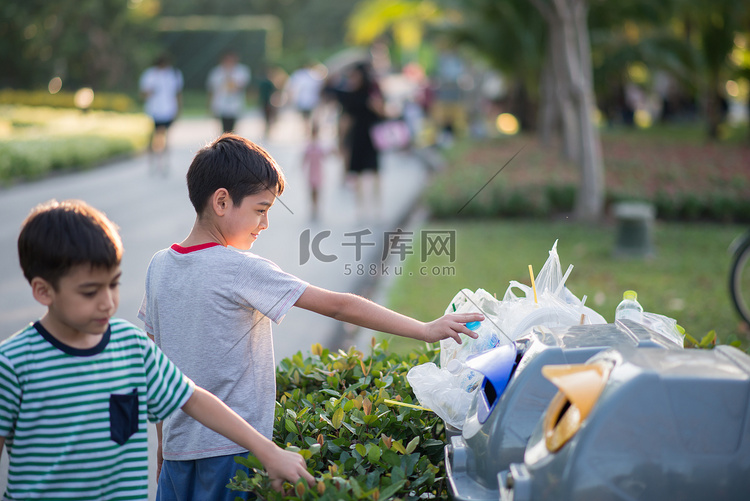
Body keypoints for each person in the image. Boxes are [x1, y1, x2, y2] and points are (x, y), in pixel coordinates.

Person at [138, 133, 483, 500]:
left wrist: (162, 446)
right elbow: (339, 305)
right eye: (260, 209)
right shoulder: (239, 267)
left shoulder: (159, 266)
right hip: (234, 454)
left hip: (176, 455)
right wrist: (425, 329)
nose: (265, 223)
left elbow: (160, 372)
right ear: (222, 201)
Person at [0, 199, 314, 500]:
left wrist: (268, 451)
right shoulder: (12, 366)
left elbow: (193, 398)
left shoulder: (131, 347)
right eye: (89, 292)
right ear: (43, 290)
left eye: (113, 284)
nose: (107, 302)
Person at [324, 63, 385, 219]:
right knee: (357, 174)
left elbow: (385, 113)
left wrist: (377, 106)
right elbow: (346, 119)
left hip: (372, 137)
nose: (353, 79)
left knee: (374, 172)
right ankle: (361, 209)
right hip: (356, 137)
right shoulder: (349, 95)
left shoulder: (373, 92)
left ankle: (377, 208)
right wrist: (341, 140)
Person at [139, 53, 183, 175]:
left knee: (165, 136)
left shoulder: (173, 74)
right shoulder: (150, 75)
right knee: (154, 136)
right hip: (154, 110)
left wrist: (179, 109)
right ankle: (153, 162)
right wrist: (150, 92)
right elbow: (143, 93)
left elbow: (178, 93)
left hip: (168, 110)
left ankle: (163, 163)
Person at [207, 51, 251, 134]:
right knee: (223, 128)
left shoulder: (241, 71)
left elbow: (240, 86)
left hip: (235, 104)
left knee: (232, 128)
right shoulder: (216, 72)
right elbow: (212, 89)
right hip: (221, 103)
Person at [300, 122, 331, 221]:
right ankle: (313, 208)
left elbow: (324, 155)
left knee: (317, 191)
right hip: (312, 171)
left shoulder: (319, 145)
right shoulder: (309, 145)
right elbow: (304, 158)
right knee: (312, 191)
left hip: (318, 171)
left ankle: (316, 208)